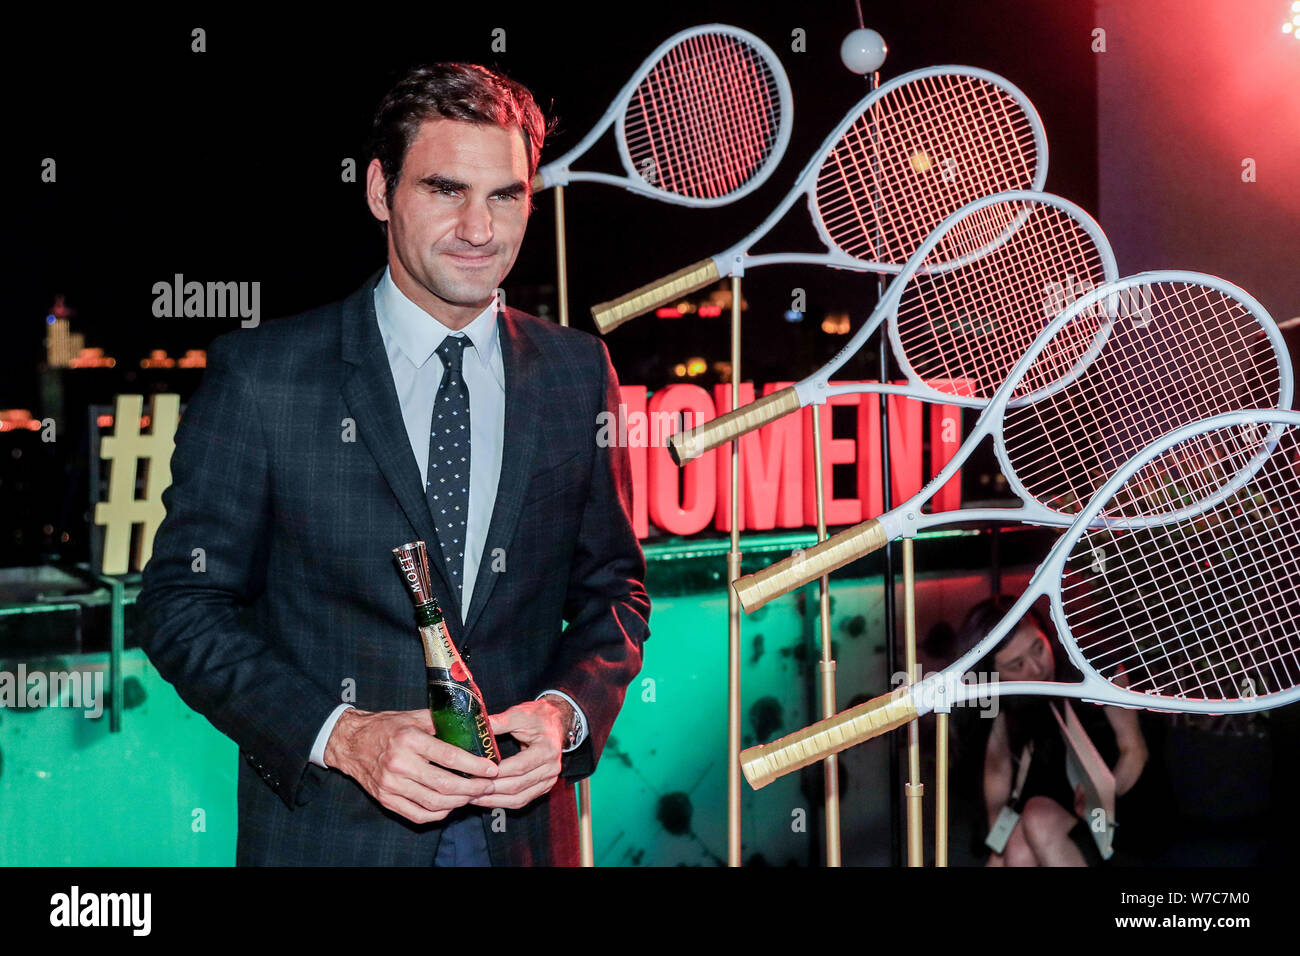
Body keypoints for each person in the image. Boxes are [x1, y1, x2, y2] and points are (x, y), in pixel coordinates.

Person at [137, 63, 651, 866]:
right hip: (328, 839)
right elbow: (180, 606)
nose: (480, 228)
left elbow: (614, 591)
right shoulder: (266, 377)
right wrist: (340, 736)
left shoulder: (576, 372)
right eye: (446, 189)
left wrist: (563, 713)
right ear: (381, 191)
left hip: (520, 840)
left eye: (505, 195)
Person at [960, 596, 1148, 867]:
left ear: (1045, 631)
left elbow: (1135, 751)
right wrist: (997, 848)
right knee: (1016, 839)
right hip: (1062, 806)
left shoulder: (1094, 662)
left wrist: (1100, 799)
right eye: (1017, 665)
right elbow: (997, 771)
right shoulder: (999, 702)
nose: (1036, 668)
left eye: (1038, 648)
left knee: (1037, 818)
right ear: (994, 675)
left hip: (1127, 798)